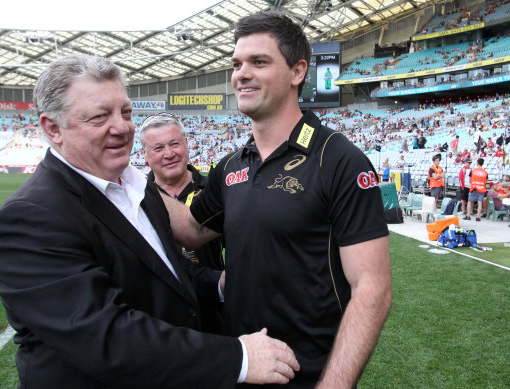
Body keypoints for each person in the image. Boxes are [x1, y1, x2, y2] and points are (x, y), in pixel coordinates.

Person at [0, 54, 299, 388]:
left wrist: (220, 284)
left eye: (125, 112)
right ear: (53, 128)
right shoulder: (29, 218)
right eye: (99, 117)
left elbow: (167, 274)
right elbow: (106, 337)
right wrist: (239, 357)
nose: (121, 127)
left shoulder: (137, 187)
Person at [161, 12, 392, 388]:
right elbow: (189, 228)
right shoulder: (231, 166)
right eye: (237, 64)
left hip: (309, 375)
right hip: (239, 366)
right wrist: (125, 180)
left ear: (297, 72)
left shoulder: (338, 160)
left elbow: (373, 288)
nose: (241, 74)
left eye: (259, 62)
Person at [140, 112, 225, 333]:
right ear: (145, 155)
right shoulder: (135, 200)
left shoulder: (215, 193)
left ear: (187, 145)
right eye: (158, 148)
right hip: (158, 319)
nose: (169, 154)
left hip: (214, 313)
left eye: (175, 144)